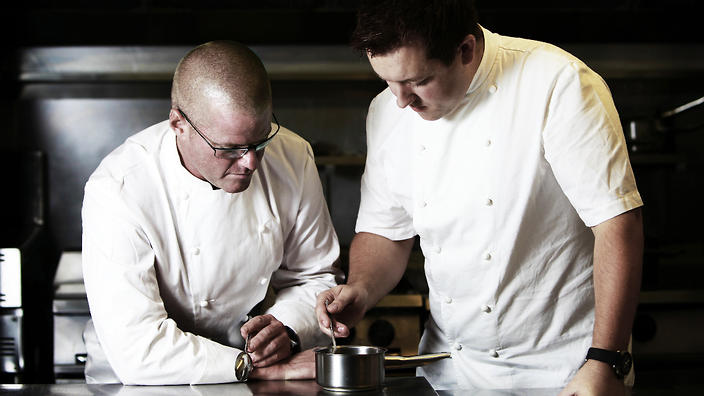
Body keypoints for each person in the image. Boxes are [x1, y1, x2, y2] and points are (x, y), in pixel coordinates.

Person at [316, 1, 643, 394]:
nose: (402, 100)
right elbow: (386, 231)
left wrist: (606, 360)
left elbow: (618, 225)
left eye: (418, 81)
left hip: (565, 371)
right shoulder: (386, 111)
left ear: (465, 50)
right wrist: (361, 289)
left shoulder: (557, 83)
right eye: (388, 82)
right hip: (451, 371)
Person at [81, 40, 342, 385]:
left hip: (253, 375)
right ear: (178, 123)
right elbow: (138, 349)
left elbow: (316, 276)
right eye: (229, 148)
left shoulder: (292, 157)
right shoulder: (120, 188)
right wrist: (256, 368)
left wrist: (287, 328)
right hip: (139, 384)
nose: (250, 162)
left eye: (261, 141)